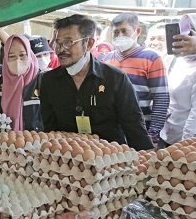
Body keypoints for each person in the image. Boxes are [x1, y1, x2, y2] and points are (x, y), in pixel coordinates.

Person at [40, 14, 153, 151]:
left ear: (89, 44)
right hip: (68, 160)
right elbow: (50, 129)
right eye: (57, 43)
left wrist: (146, 159)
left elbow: (134, 127)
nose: (61, 49)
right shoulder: (49, 81)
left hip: (110, 162)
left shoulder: (115, 79)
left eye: (68, 42)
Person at [102, 13, 169, 144]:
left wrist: (153, 134)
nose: (119, 36)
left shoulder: (151, 58)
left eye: (124, 31)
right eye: (116, 32)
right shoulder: (107, 59)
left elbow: (161, 98)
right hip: (113, 133)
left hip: (141, 131)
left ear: (137, 31)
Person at [159, 13, 196, 147]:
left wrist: (186, 145)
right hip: (166, 133)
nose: (184, 38)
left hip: (182, 139)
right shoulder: (176, 60)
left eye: (189, 33)